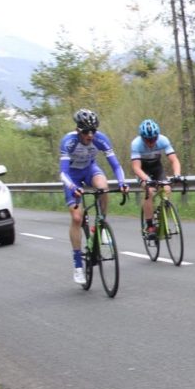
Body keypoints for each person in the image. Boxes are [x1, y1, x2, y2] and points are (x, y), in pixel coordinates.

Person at [59, 109, 129, 285]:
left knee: (103, 188)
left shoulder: (101, 139)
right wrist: (73, 187)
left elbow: (116, 165)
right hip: (72, 176)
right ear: (78, 130)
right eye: (86, 132)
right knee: (77, 218)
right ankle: (78, 266)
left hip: (90, 169)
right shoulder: (68, 142)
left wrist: (122, 182)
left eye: (93, 131)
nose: (90, 135)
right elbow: (63, 173)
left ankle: (101, 225)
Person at [130, 118, 183, 239]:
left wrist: (177, 174)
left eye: (154, 139)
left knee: (167, 189)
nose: (151, 142)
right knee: (149, 191)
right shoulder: (136, 144)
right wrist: (147, 179)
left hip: (157, 168)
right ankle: (149, 226)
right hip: (143, 171)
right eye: (147, 140)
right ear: (142, 138)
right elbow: (136, 167)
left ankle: (161, 216)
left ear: (157, 136)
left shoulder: (163, 140)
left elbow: (174, 160)